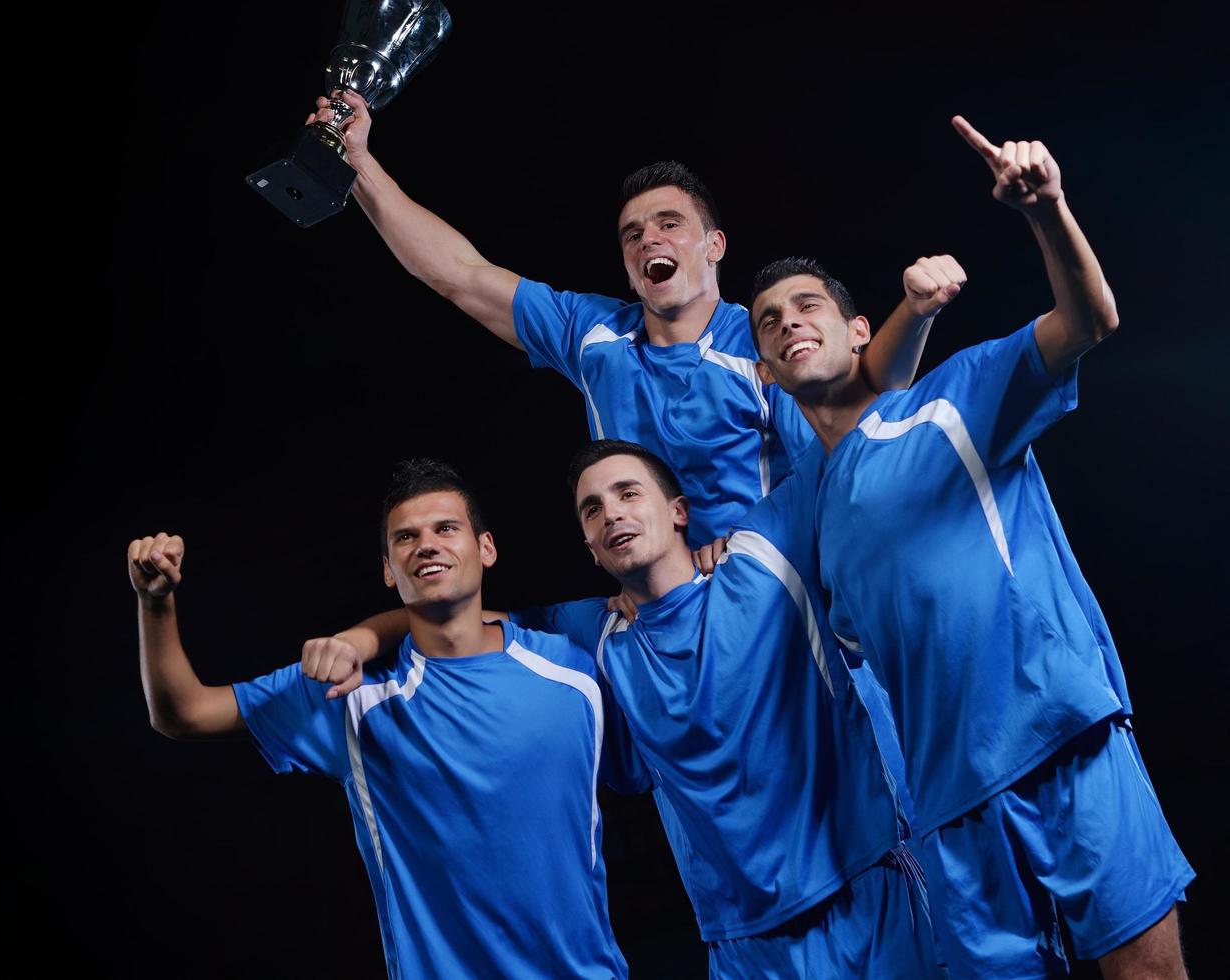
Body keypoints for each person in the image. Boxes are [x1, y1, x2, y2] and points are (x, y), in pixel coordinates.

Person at [747, 117, 1194, 978]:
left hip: (1062, 742)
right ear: (763, 370)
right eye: (767, 321)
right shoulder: (812, 525)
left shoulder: (950, 401)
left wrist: (1046, 210)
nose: (787, 323)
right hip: (949, 809)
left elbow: (1088, 320)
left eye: (808, 307)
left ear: (854, 331)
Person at [308, 442, 944, 978]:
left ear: (678, 511)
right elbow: (446, 609)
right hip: (742, 934)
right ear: (588, 544)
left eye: (627, 494)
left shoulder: (762, 555)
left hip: (868, 880)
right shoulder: (589, 634)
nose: (611, 513)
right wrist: (362, 639)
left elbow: (853, 441)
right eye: (592, 508)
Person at [307, 90, 966, 547]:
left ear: (713, 246)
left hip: (777, 593)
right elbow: (457, 273)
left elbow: (855, 427)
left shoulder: (769, 340)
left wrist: (749, 552)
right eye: (632, 234)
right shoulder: (593, 332)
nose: (649, 239)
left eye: (670, 224)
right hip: (657, 605)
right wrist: (358, 163)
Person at [130, 459, 632, 979]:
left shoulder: (573, 664)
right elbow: (182, 713)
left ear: (486, 548)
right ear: (389, 569)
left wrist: (717, 552)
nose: (427, 545)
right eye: (406, 538)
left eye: (445, 528)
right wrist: (155, 602)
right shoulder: (352, 695)